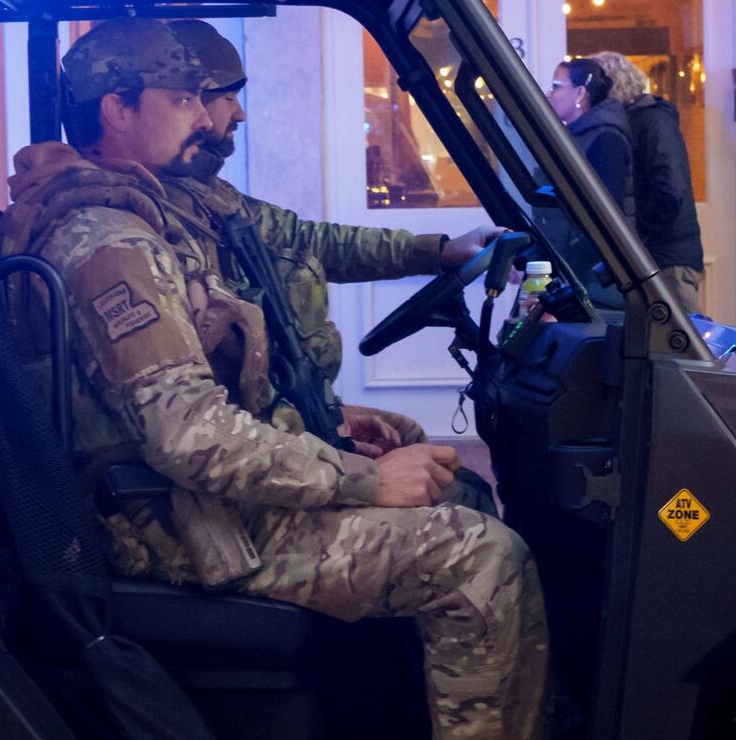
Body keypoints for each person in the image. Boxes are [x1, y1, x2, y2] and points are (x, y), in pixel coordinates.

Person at [9, 19, 548, 740]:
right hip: (175, 522)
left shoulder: (181, 203)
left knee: (453, 478)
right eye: (193, 98)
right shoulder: (109, 238)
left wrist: (432, 255)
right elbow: (188, 438)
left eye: (222, 97)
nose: (224, 117)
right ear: (117, 107)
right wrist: (357, 480)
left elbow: (302, 241)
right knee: (481, 560)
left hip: (200, 492)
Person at [156, 22, 491, 454]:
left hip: (273, 417)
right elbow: (198, 424)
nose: (238, 114)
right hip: (247, 444)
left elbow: (309, 240)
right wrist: (345, 466)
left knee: (407, 438)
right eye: (227, 98)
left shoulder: (208, 198)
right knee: (460, 501)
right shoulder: (156, 217)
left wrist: (438, 251)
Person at [597, 53, 709, 313]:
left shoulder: (652, 120)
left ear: (612, 84)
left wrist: (637, 233)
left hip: (667, 259)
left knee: (679, 344)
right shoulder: (636, 120)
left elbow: (669, 189)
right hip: (657, 255)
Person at [546, 58, 635, 211]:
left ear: (580, 93)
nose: (549, 94)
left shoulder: (606, 139)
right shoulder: (579, 134)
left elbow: (608, 211)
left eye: (556, 87)